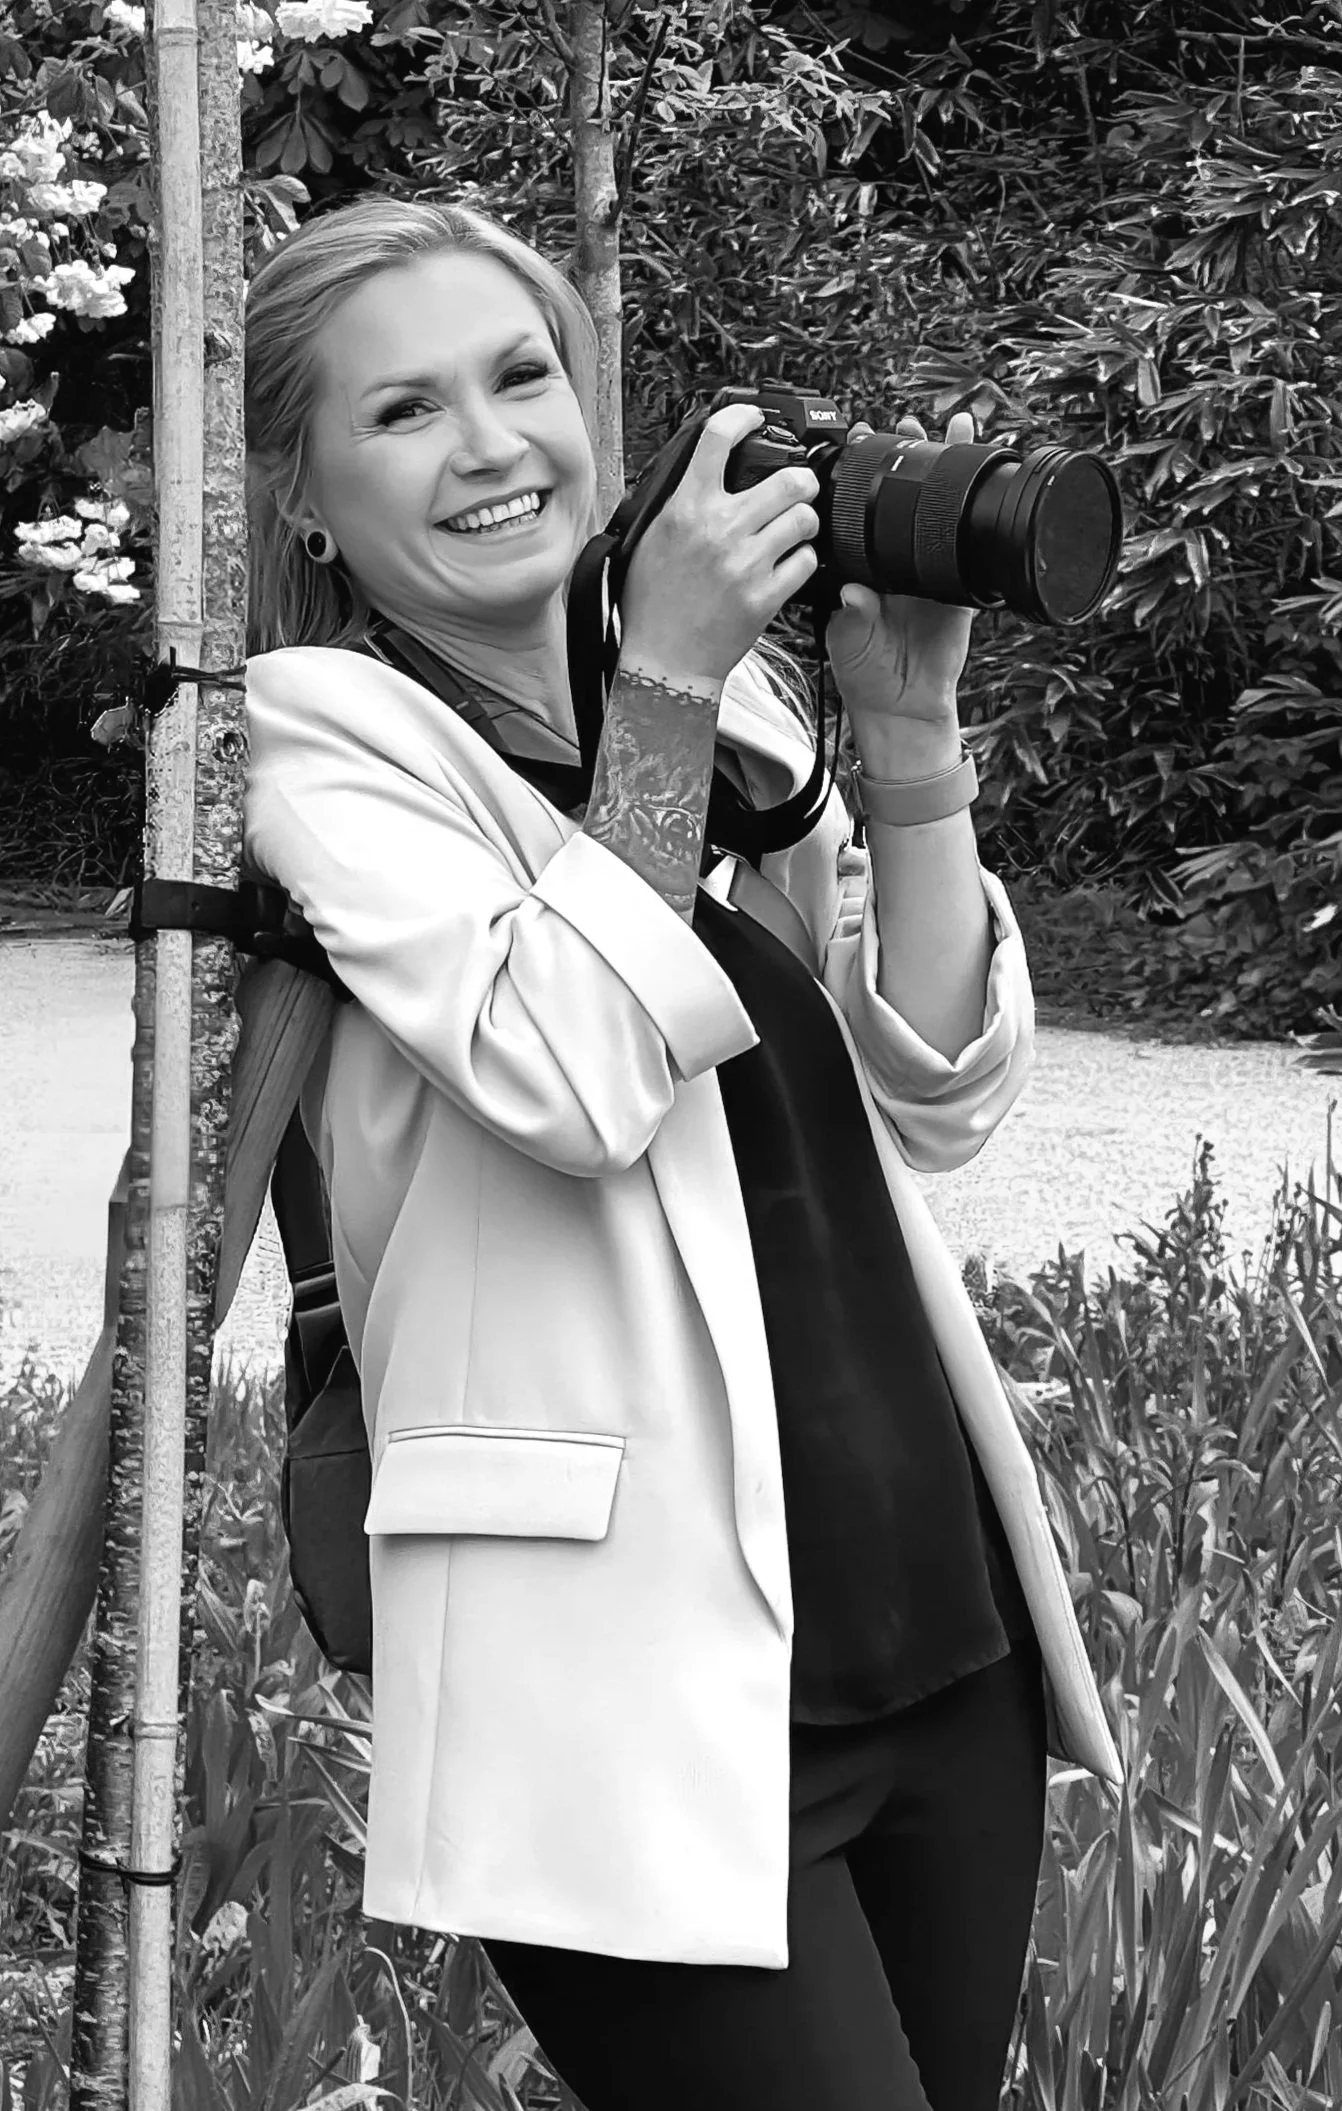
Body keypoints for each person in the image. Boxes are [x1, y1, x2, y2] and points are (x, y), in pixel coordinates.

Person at [242, 194, 1121, 2111]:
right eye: (402, 413)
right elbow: (563, 1068)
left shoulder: (719, 698)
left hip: (929, 1625)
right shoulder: (330, 742)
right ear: (303, 495)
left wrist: (906, 733)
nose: (489, 444)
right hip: (623, 1688)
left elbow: (937, 1089)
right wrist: (654, 684)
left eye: (520, 374)